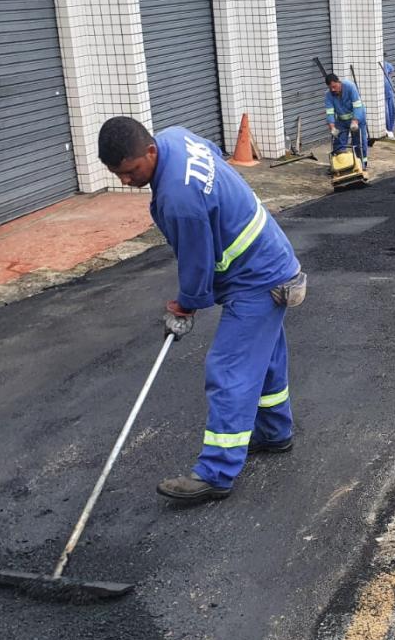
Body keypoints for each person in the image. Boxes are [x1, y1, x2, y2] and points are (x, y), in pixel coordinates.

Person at [97, 117, 305, 503]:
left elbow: (197, 263)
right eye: (117, 174)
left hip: (257, 278)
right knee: (266, 360)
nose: (126, 181)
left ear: (150, 152)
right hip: (271, 259)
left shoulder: (179, 198)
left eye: (130, 172)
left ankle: (216, 473)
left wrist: (186, 305)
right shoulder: (176, 138)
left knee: (229, 370)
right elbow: (212, 154)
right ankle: (275, 434)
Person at [324, 72, 369, 169]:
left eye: (334, 86)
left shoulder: (350, 87)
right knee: (339, 142)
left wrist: (355, 121)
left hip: (356, 118)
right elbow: (330, 113)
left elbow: (357, 106)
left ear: (338, 82)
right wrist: (332, 127)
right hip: (342, 121)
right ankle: (342, 165)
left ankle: (362, 163)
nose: (333, 89)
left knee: (359, 142)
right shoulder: (328, 95)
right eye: (330, 88)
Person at [382, 59, 395, 140]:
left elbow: (392, 72)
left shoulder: (387, 64)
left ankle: (391, 130)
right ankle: (387, 130)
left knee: (392, 110)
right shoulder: (376, 66)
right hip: (382, 95)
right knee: (386, 113)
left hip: (389, 92)